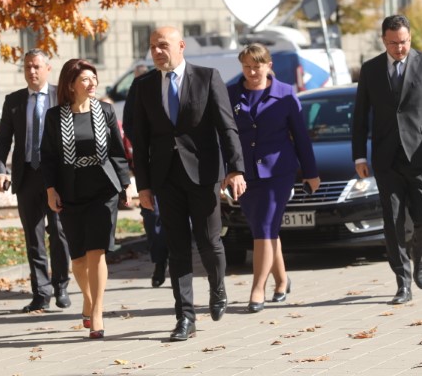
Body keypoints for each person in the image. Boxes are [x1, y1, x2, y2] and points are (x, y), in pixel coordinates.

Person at [132, 26, 246, 342]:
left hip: (203, 174)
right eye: (153, 46)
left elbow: (227, 127)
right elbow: (140, 141)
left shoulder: (207, 78)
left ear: (181, 46)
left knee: (209, 242)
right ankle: (185, 317)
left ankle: (217, 286)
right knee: (177, 248)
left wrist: (235, 169)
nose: (157, 51)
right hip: (165, 178)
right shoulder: (143, 86)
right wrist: (143, 186)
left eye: (163, 45)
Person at [352, 14, 422, 305]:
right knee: (393, 222)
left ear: (410, 37)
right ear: (384, 41)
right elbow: (360, 117)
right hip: (386, 158)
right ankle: (402, 281)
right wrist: (359, 154)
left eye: (405, 42)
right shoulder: (371, 70)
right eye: (394, 43)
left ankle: (420, 256)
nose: (400, 48)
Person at [40, 59, 131, 339]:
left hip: (103, 190)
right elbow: (49, 158)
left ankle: (98, 311)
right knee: (78, 258)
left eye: (94, 78)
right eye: (85, 80)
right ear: (70, 85)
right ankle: (88, 299)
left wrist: (125, 183)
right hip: (71, 191)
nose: (92, 84)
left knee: (97, 251)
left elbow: (117, 151)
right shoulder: (56, 116)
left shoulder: (105, 110)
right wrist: (51, 190)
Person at [227, 43, 320, 313]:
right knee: (264, 230)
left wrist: (311, 173)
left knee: (265, 228)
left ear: (269, 66)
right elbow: (226, 135)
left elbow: (301, 136)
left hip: (278, 172)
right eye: (246, 67)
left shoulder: (286, 94)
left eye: (257, 66)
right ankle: (282, 280)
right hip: (245, 175)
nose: (252, 72)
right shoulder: (231, 94)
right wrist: (228, 171)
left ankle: (258, 290)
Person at [0, 49, 71, 313]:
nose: (31, 72)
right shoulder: (14, 101)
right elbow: (3, 139)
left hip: (56, 178)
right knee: (33, 237)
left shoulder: (62, 96)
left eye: (36, 66)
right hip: (26, 176)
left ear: (48, 68)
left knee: (59, 233)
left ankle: (61, 286)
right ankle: (41, 293)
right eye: (27, 67)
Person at [122, 61, 169, 288]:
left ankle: (177, 261)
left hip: (181, 163)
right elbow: (129, 122)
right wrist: (146, 144)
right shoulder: (141, 84)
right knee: (152, 215)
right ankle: (160, 261)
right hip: (151, 161)